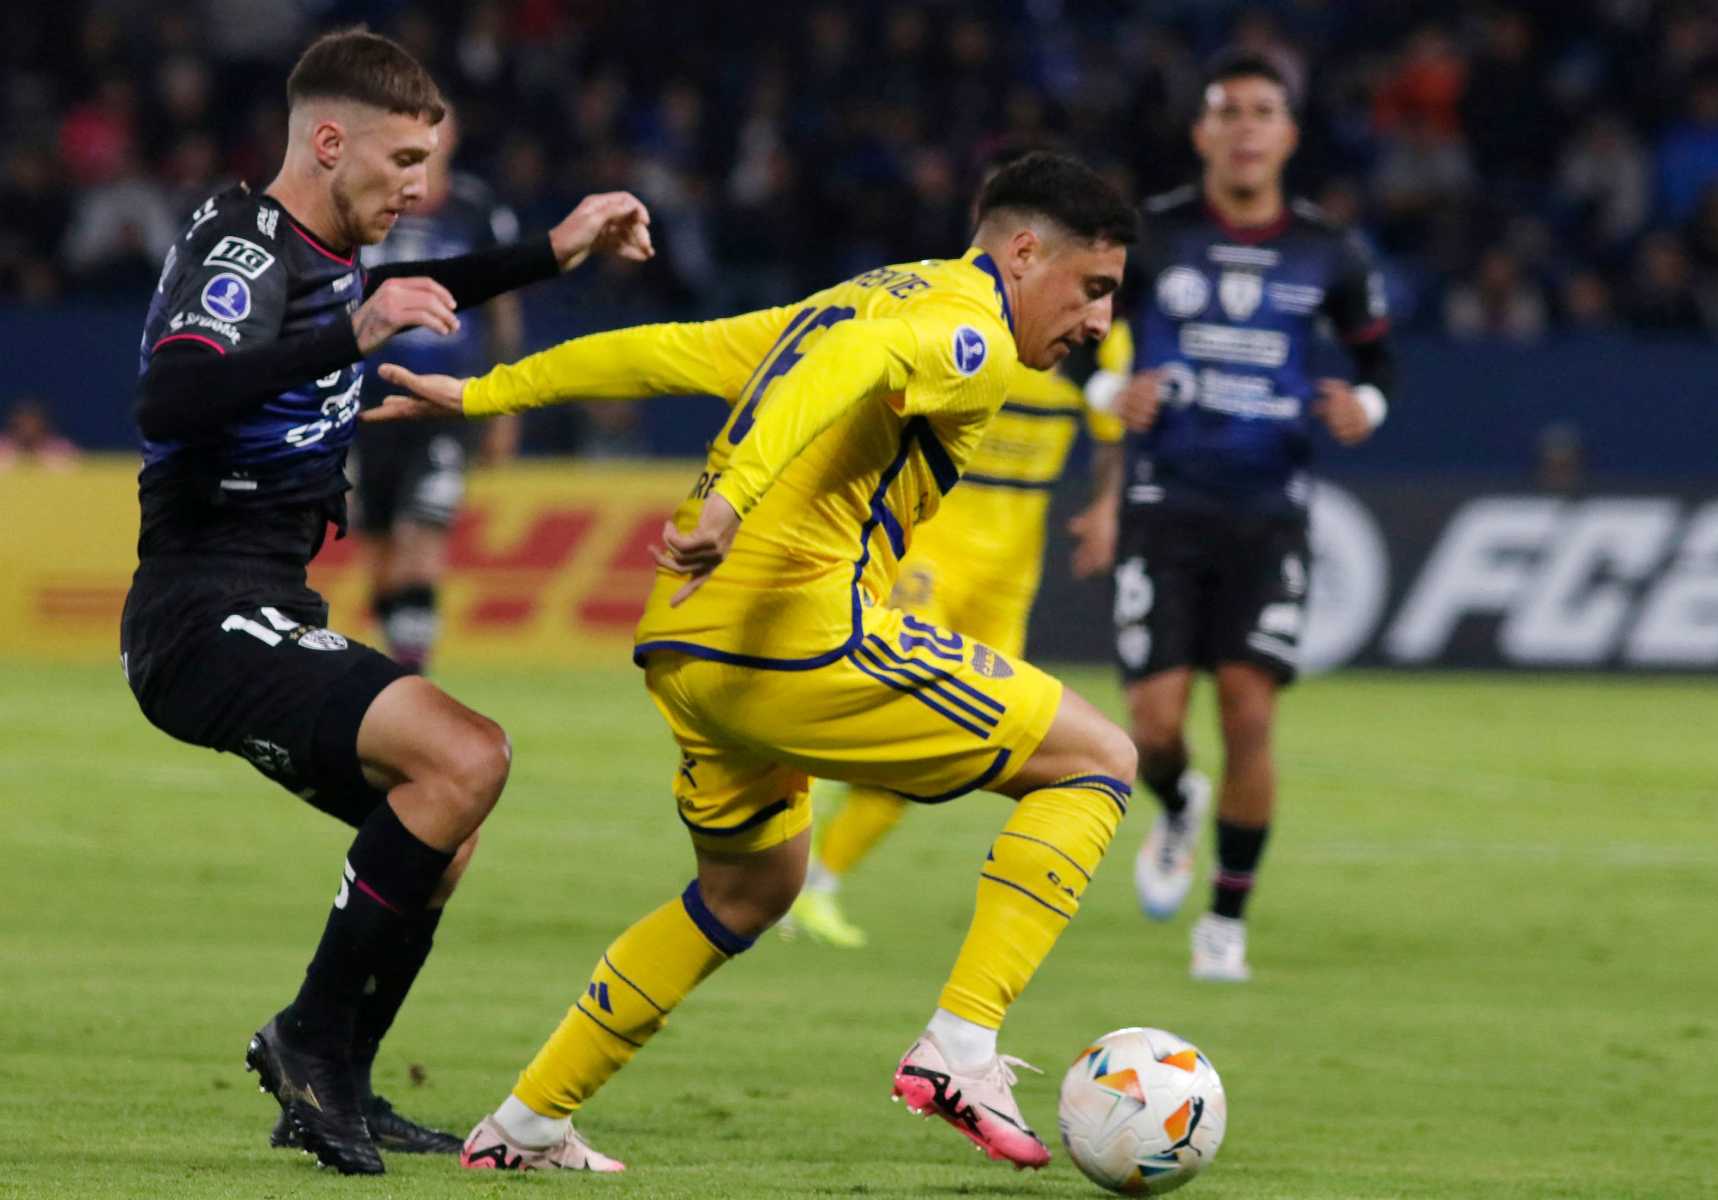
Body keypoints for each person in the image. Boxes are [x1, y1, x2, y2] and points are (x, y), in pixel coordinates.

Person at [369, 151, 1140, 1173]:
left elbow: (671, 352)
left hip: (690, 650)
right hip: (795, 634)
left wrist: (483, 397)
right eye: (1093, 289)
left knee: (748, 892)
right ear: (1026, 250)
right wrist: (732, 493)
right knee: (1099, 760)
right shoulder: (970, 330)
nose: (1095, 321)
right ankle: (962, 1043)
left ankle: (525, 1124)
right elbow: (841, 374)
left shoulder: (869, 295)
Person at [119, 29, 652, 1175]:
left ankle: (341, 1084)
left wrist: (552, 255)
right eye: (404, 157)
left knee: (439, 828)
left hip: (268, 600)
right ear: (328, 141)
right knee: (469, 757)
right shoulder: (246, 246)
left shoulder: (332, 250)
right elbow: (172, 393)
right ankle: (305, 1039)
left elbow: (426, 287)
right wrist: (347, 335)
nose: (419, 185)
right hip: (197, 612)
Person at [1083, 52, 1398, 982]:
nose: (1248, 127)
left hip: (1270, 508)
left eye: (1266, 112)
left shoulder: (1329, 250)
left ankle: (1224, 922)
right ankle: (1178, 803)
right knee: (1152, 725)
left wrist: (1365, 408)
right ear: (1203, 134)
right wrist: (1109, 386)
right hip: (1165, 500)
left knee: (1250, 710)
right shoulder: (1153, 237)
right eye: (1230, 112)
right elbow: (1068, 323)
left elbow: (1380, 362)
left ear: (1289, 135)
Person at [786, 348, 1126, 949]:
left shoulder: (1100, 350)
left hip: (1008, 579)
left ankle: (816, 882)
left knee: (951, 746)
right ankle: (790, 826)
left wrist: (1105, 507)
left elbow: (1113, 437)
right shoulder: (980, 336)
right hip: (926, 552)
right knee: (899, 706)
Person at [354, 107, 524, 672]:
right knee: (378, 549)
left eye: (436, 128)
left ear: (451, 136)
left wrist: (506, 404)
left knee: (419, 534)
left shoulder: (477, 211)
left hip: (444, 402)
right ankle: (400, 656)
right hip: (368, 402)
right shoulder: (365, 200)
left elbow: (503, 308)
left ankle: (410, 678)